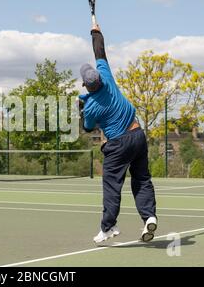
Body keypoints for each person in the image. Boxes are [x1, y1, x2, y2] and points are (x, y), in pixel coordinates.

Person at [79, 23, 157, 245]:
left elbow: (87, 127)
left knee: (112, 184)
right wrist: (96, 32)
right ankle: (149, 216)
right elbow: (100, 52)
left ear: (85, 84)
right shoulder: (106, 76)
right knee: (142, 179)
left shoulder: (91, 106)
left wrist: (80, 108)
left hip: (119, 144)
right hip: (138, 135)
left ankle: (108, 226)